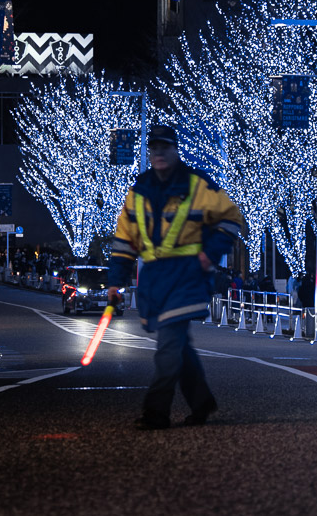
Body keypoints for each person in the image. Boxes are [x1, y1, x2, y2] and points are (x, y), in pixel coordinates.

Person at [107, 124, 246, 430]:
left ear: (175, 149)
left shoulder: (197, 185)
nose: (158, 153)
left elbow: (232, 218)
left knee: (169, 348)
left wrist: (210, 252)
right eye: (153, 148)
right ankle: (202, 403)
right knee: (179, 347)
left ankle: (156, 414)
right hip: (155, 280)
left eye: (164, 147)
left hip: (187, 277)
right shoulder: (138, 190)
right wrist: (115, 281)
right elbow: (123, 242)